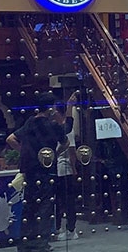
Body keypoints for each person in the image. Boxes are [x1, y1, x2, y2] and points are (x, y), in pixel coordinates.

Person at [7, 93, 67, 252]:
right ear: (50, 108)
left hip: (30, 171)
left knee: (29, 207)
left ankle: (25, 243)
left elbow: (11, 139)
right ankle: (41, 243)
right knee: (45, 207)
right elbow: (65, 142)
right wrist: (53, 155)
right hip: (47, 171)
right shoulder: (53, 126)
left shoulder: (30, 123)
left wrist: (26, 153)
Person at [55, 91, 81, 240]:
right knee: (63, 201)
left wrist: (74, 168)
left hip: (65, 170)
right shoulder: (57, 128)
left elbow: (72, 152)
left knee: (67, 201)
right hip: (60, 170)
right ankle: (63, 228)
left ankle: (70, 229)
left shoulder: (66, 130)